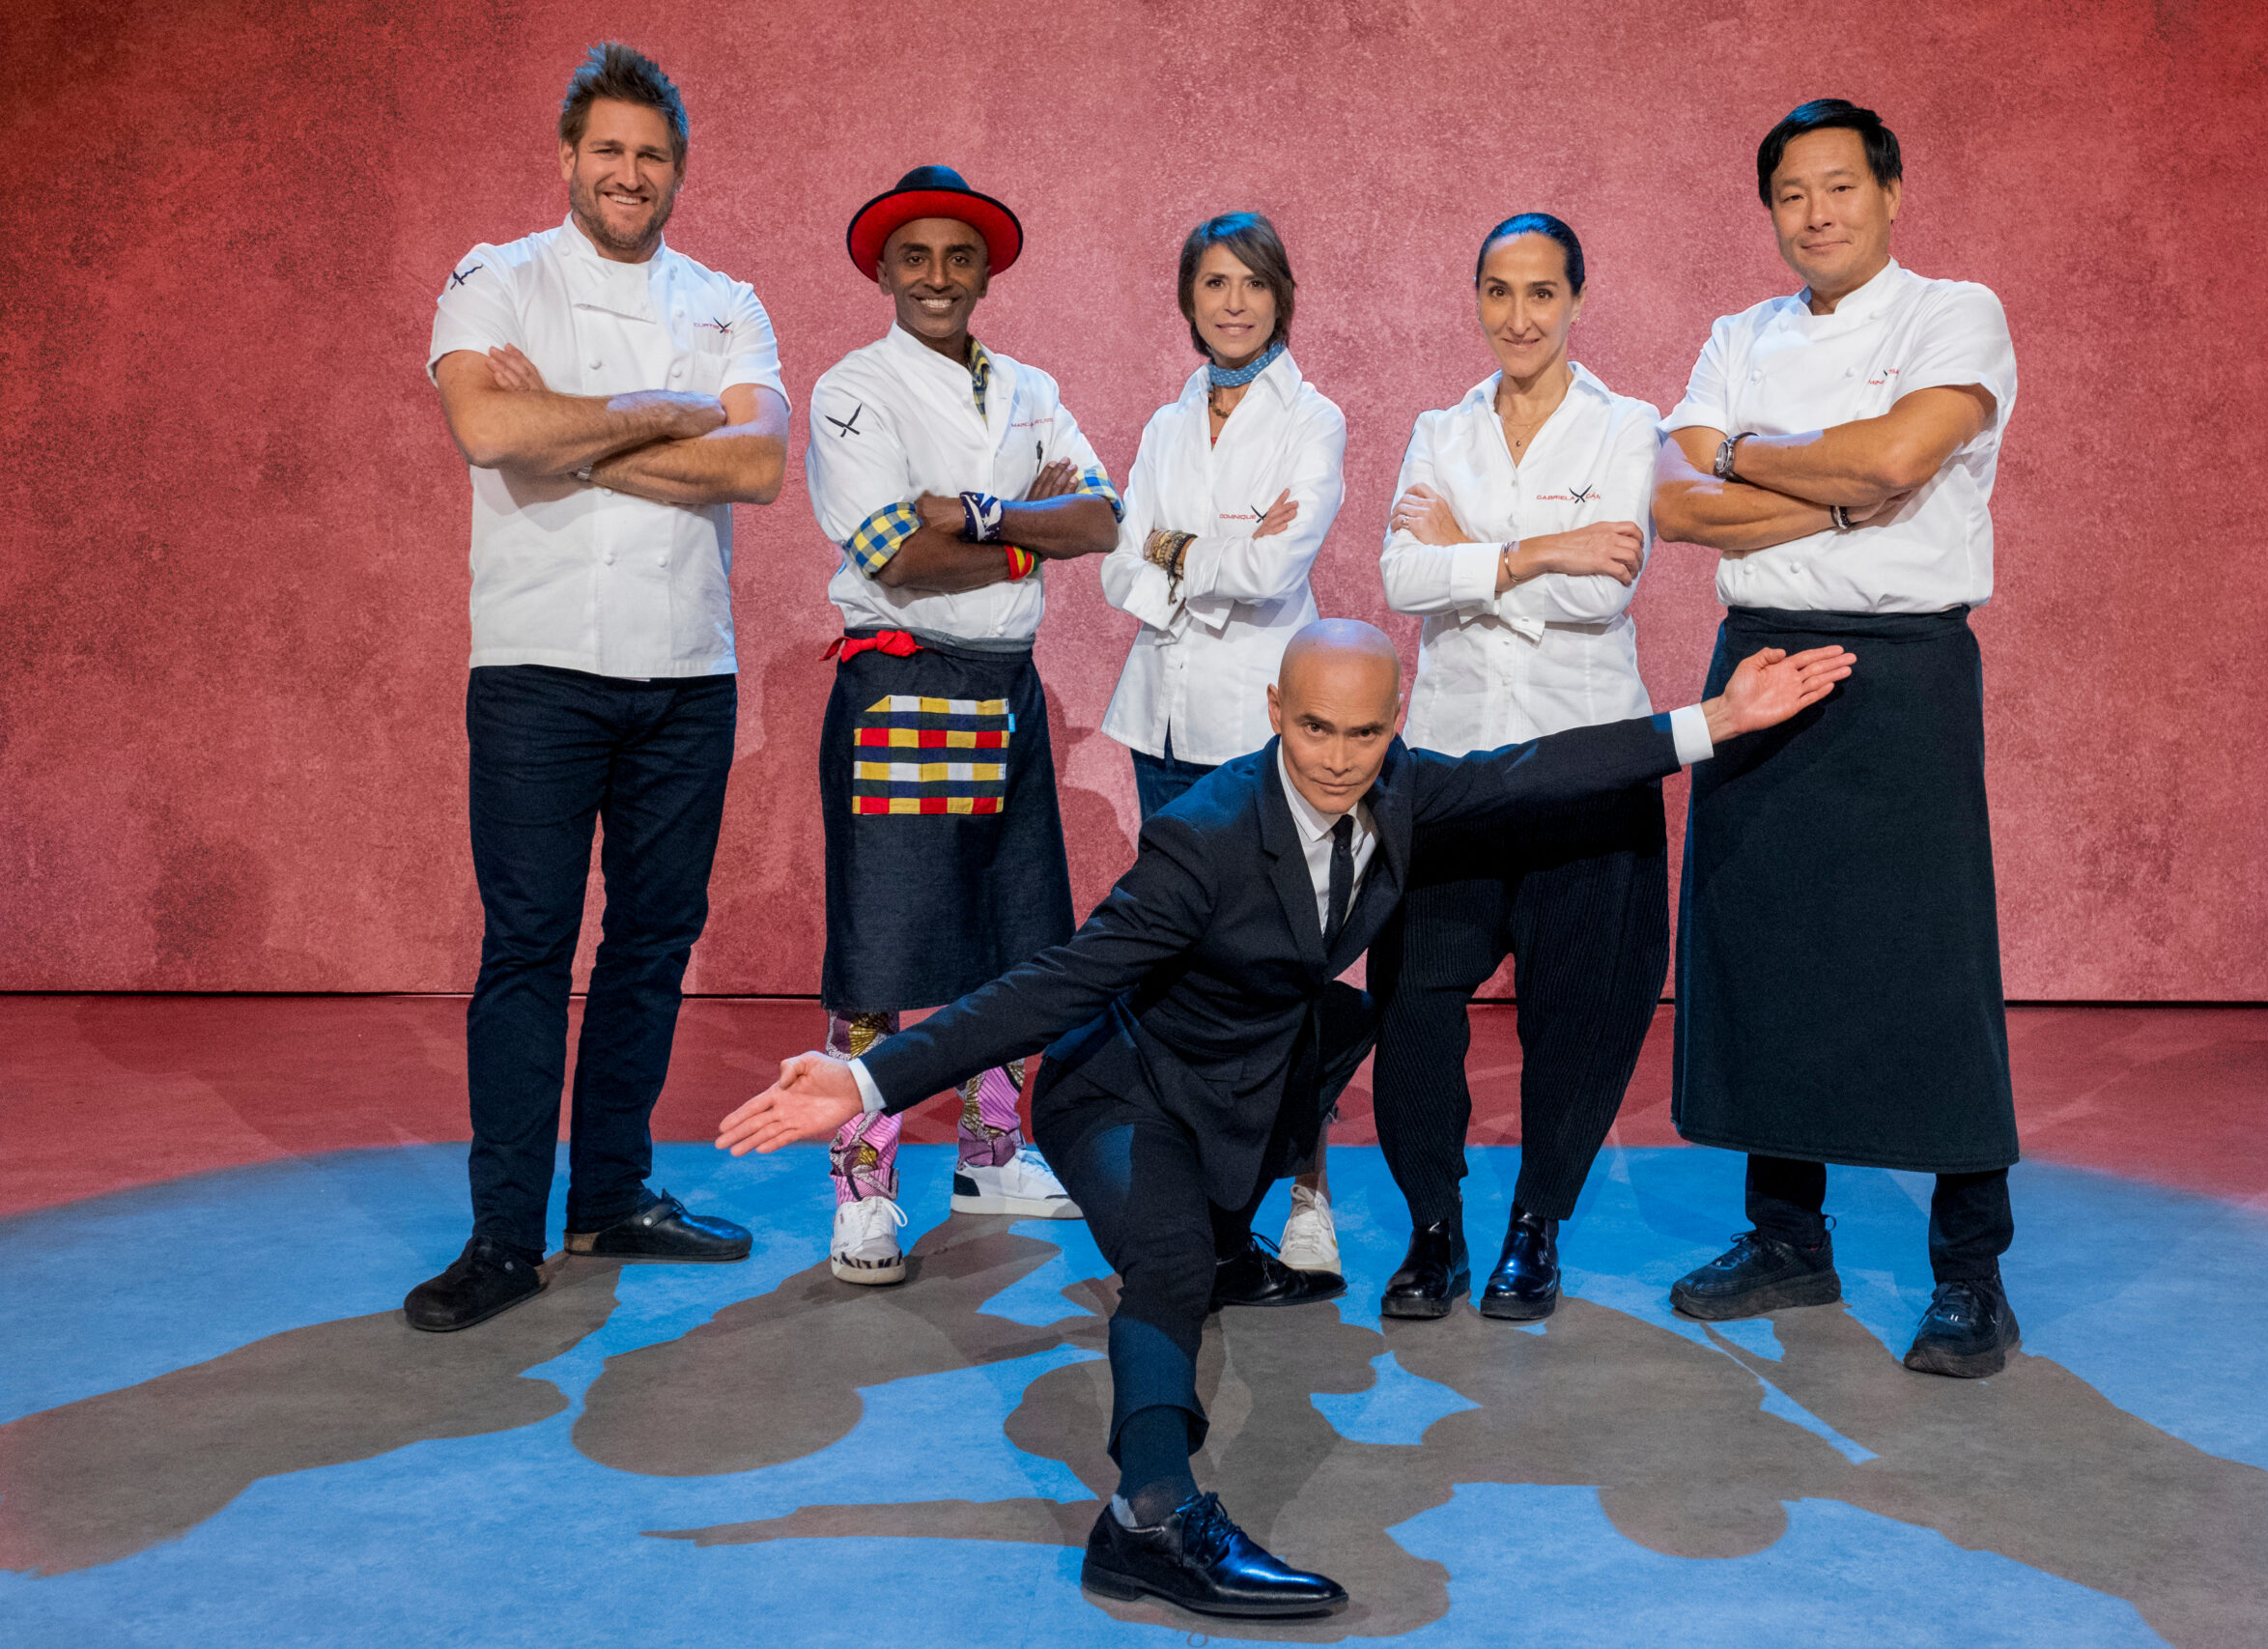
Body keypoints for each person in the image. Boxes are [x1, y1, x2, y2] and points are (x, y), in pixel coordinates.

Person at [717, 619, 1855, 1618]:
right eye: (1314, 730)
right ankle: (1150, 1518)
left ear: (1393, 724)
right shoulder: (1203, 839)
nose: (1337, 761)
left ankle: (1227, 1243)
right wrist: (868, 1083)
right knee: (1164, 1266)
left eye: (1363, 736)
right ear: (1274, 714)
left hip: (1246, 1078)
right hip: (1119, 1091)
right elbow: (1057, 982)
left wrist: (1714, 717)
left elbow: (1531, 771)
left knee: (1327, 1034)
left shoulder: (1399, 788)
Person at [407, 43, 787, 1332]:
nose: (630, 174)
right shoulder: (494, 275)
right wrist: (666, 412)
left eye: (653, 155)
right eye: (610, 150)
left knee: (652, 941)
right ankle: (505, 1235)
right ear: (569, 158)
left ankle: (612, 1190)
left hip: (689, 670)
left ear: (679, 171)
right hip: (535, 669)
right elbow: (486, 431)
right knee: (528, 947)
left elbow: (756, 469)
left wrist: (574, 438)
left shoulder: (730, 296)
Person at [1650, 99, 2025, 1377]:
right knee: (1767, 947)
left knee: (1932, 961)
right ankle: (1786, 1232)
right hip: (1756, 659)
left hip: (1903, 663)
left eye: (1840, 188)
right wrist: (1846, 487)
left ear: (1892, 192)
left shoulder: (1953, 311)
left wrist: (1754, 456)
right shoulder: (1733, 334)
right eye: (1791, 195)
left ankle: (1970, 1267)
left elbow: (1911, 449)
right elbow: (1676, 503)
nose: (1815, 214)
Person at [801, 165, 1123, 1286]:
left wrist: (984, 513)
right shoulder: (853, 389)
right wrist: (1035, 531)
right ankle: (864, 1191)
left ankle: (991, 1155)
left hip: (1007, 681)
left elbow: (1104, 515)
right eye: (915, 258)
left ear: (986, 271)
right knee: (878, 955)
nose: (937, 276)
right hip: (903, 682)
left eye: (959, 257)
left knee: (1016, 943)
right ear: (883, 271)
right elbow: (896, 553)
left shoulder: (1030, 385)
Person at [1373, 213, 1665, 1323]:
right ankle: (1433, 1229)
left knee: (1576, 1010)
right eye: (1498, 292)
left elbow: (1613, 586)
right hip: (1452, 765)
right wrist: (1542, 546)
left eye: (1541, 293)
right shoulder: (1437, 427)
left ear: (1576, 300)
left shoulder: (1629, 424)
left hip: (1586, 764)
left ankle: (1536, 1224)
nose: (1518, 316)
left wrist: (1469, 553)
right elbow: (1401, 577)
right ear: (1476, 299)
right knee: (1412, 1004)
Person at [1099, 211, 1350, 1281]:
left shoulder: (1317, 419)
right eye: (1213, 283)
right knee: (1179, 972)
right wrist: (1196, 550)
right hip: (1160, 719)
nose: (1233, 302)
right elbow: (1118, 568)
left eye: (1252, 283)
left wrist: (1172, 548)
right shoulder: (1165, 425)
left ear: (1281, 295)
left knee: (1282, 971)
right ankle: (1191, 1202)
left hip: (1258, 729)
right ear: (1188, 300)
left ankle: (1304, 1191)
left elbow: (1274, 572)